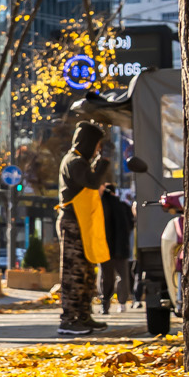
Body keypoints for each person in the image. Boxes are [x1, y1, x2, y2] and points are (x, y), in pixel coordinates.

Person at [56, 121, 112, 337]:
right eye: (97, 145)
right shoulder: (74, 162)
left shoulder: (79, 161)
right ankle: (69, 319)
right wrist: (102, 164)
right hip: (73, 222)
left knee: (87, 271)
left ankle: (83, 315)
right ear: (89, 143)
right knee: (73, 272)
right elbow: (91, 182)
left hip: (82, 222)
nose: (98, 149)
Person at [98, 181, 136, 314]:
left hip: (104, 247)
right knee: (122, 277)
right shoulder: (123, 207)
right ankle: (122, 303)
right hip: (121, 247)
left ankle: (105, 303)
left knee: (105, 276)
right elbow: (131, 225)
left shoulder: (100, 206)